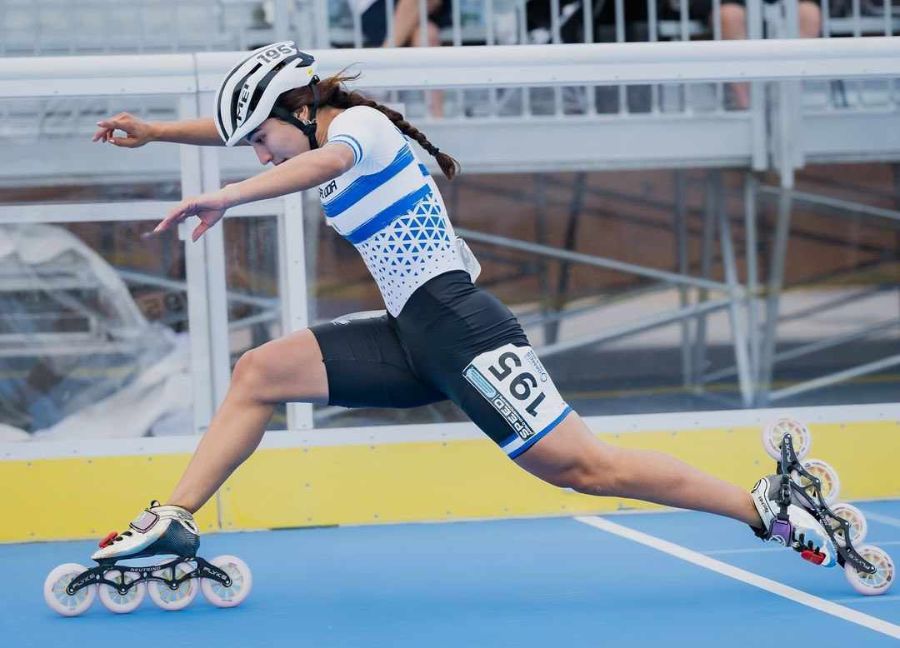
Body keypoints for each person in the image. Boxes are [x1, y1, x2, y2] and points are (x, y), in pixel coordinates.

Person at [90, 41, 834, 570]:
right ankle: (175, 519)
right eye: (247, 145)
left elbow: (323, 161)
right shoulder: (307, 126)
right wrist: (155, 132)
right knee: (259, 372)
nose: (256, 153)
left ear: (302, 106)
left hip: (460, 327)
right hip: (412, 335)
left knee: (585, 468)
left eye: (262, 138)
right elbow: (245, 133)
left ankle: (763, 505)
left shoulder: (359, 130)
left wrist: (228, 192)